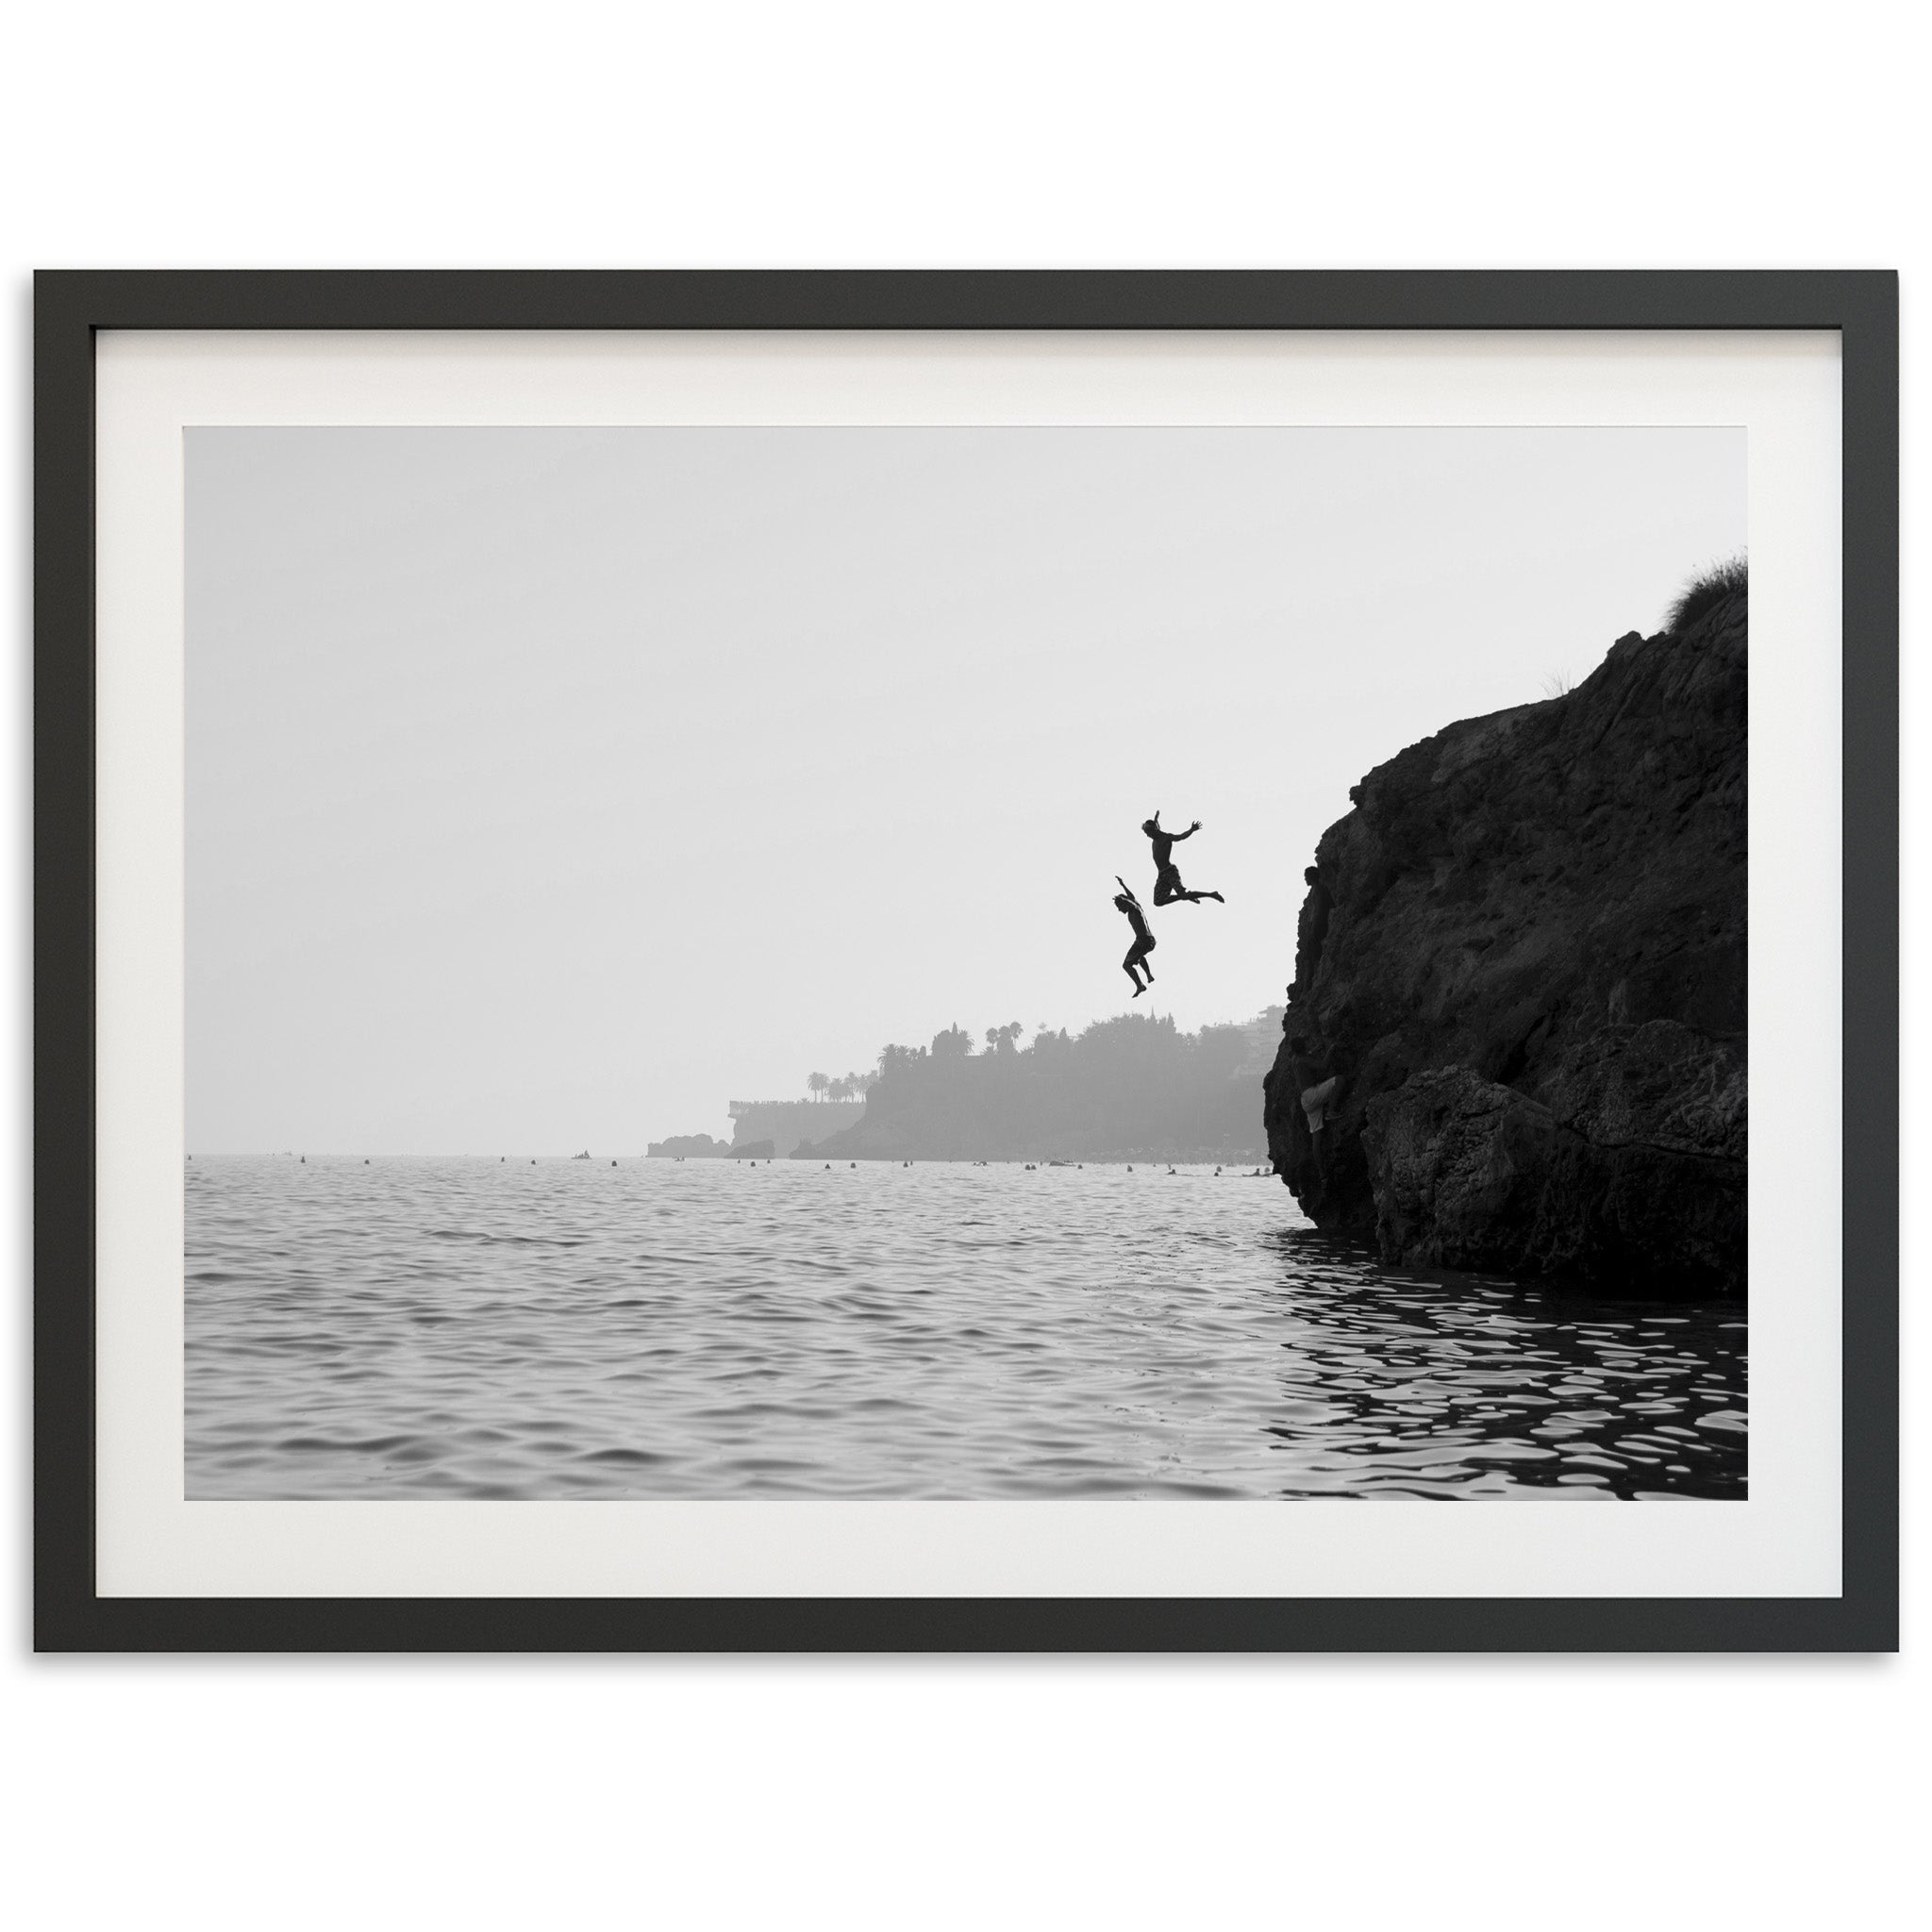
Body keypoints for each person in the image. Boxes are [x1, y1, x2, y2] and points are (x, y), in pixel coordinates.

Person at [1141, 811, 1224, 906]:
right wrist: (1156, 819)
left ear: (1154, 830)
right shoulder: (1155, 837)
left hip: (1170, 872)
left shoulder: (1166, 837)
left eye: (1148, 833)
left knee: (1183, 895)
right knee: (1158, 901)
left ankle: (1212, 894)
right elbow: (1157, 827)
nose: (1148, 836)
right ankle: (1187, 896)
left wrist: (1191, 830)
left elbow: (1180, 837)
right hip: (1161, 874)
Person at [1113, 876, 1157, 995]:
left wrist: (1120, 898)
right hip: (1148, 941)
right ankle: (1149, 975)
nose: (1119, 910)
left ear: (1123, 903)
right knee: (1139, 956)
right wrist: (1123, 885)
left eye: (1119, 907)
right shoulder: (1137, 905)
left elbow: (1129, 900)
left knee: (1126, 965)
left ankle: (1140, 985)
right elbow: (1131, 896)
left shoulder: (1133, 907)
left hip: (1143, 940)